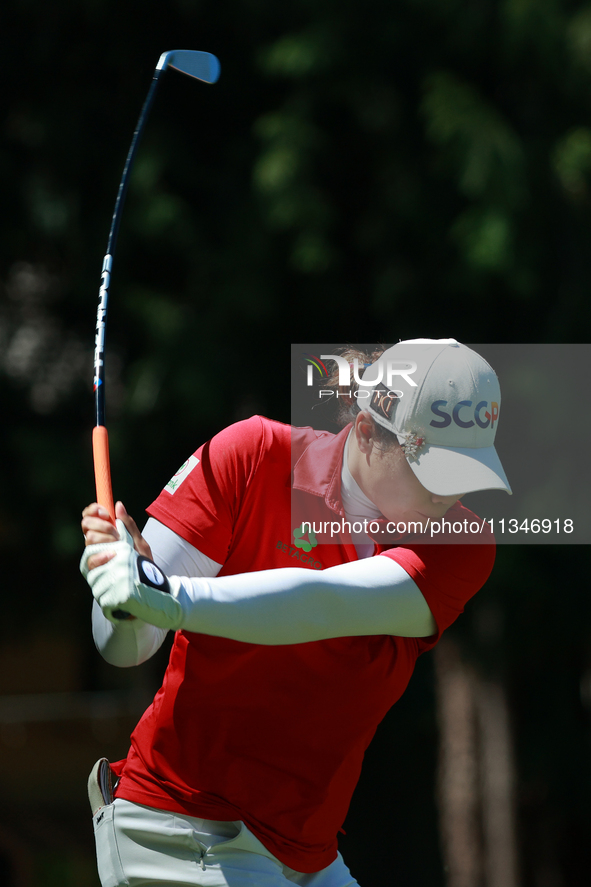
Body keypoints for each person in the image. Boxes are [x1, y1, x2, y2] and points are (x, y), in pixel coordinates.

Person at [80, 338, 511, 887]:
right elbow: (126, 648)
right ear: (367, 430)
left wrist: (167, 597)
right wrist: (120, 598)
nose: (452, 494)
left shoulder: (463, 541)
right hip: (180, 830)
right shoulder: (253, 456)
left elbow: (325, 604)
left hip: (308, 856)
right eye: (436, 468)